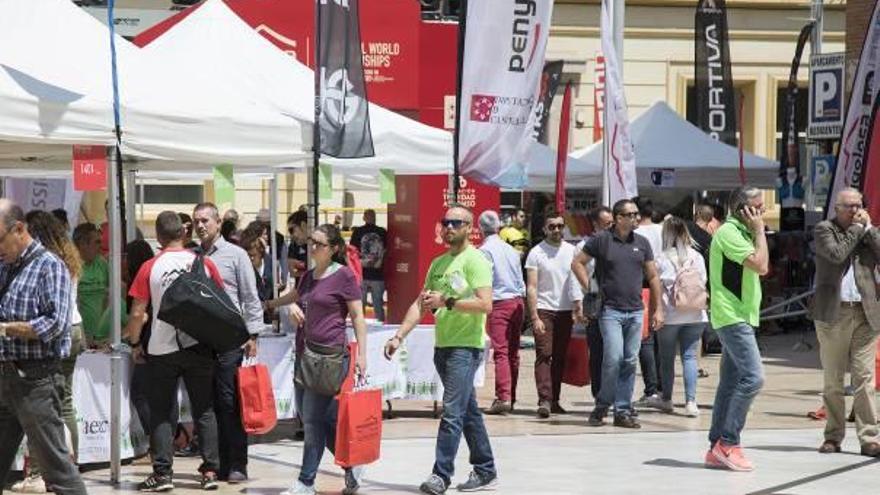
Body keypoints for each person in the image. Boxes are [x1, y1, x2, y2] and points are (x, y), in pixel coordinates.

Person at [384, 205, 497, 495]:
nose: (448, 227)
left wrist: (448, 301)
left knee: (451, 413)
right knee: (467, 411)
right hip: (443, 347)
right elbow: (419, 305)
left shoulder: (476, 260)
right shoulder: (438, 263)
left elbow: (485, 304)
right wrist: (398, 337)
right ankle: (485, 469)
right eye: (445, 222)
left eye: (455, 223)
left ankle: (440, 475)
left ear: (469, 227)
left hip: (465, 348)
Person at [125, 211, 224, 491]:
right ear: (184, 233)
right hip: (200, 346)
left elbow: (137, 312)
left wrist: (134, 343)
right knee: (204, 409)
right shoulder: (204, 264)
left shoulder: (149, 266)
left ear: (158, 236)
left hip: (161, 347)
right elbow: (220, 303)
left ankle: (163, 474)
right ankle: (210, 472)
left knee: (161, 410)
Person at [0, 199, 86, 495]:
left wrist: (7, 328)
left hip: (36, 380)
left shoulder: (50, 267)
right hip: (6, 377)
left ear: (19, 229)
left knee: (57, 469)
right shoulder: (5, 266)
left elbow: (56, 324)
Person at [280, 224, 367, 495]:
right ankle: (352, 465)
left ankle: (306, 481)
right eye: (311, 242)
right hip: (304, 355)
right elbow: (295, 298)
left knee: (312, 420)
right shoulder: (308, 276)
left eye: (319, 243)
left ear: (334, 249)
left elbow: (357, 316)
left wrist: (363, 355)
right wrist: (274, 304)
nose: (312, 247)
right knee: (321, 420)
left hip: (328, 358)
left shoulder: (343, 276)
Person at [572, 199, 664, 429]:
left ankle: (622, 410)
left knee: (630, 361)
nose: (636, 218)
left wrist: (658, 308)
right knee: (613, 358)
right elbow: (577, 263)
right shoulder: (602, 240)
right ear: (619, 218)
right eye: (631, 215)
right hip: (610, 310)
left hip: (635, 311)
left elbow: (653, 276)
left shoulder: (642, 242)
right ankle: (603, 404)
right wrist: (591, 289)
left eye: (636, 214)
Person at [193, 203, 264, 483]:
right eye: (197, 221)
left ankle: (237, 463)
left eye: (205, 221)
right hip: (200, 342)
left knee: (229, 403)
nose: (200, 226)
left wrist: (253, 334)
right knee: (207, 405)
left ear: (218, 223)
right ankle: (216, 462)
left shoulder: (236, 255)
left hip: (230, 341)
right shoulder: (193, 256)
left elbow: (250, 296)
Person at [704, 187, 768, 472]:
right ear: (743, 209)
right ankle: (728, 443)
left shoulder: (740, 233)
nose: (762, 212)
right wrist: (760, 231)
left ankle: (715, 445)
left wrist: (755, 231)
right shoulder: (730, 232)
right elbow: (761, 265)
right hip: (732, 316)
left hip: (741, 315)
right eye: (757, 207)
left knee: (730, 383)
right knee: (754, 378)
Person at [812, 188, 880, 457]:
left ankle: (869, 438)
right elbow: (837, 255)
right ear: (836, 208)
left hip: (865, 313)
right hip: (833, 313)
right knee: (834, 379)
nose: (855, 210)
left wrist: (870, 229)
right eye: (849, 206)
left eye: (858, 205)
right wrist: (857, 229)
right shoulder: (823, 229)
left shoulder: (865, 230)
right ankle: (833, 436)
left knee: (865, 379)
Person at [525, 212, 583, 418]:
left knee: (559, 357)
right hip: (544, 309)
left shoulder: (572, 251)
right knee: (544, 354)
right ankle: (544, 400)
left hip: (565, 311)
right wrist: (534, 317)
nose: (557, 230)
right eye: (552, 227)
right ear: (544, 229)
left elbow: (577, 280)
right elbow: (531, 287)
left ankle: (555, 400)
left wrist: (578, 306)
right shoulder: (536, 253)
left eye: (560, 226)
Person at [655, 217, 708, 417]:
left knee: (667, 358)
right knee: (689, 357)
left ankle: (667, 399)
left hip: (669, 315)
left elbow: (657, 287)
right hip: (696, 314)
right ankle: (691, 402)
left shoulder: (661, 258)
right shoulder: (697, 256)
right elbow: (703, 281)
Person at [478, 210, 526, 415]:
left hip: (498, 302)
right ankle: (510, 395)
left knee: (501, 352)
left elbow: (483, 280)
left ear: (480, 228)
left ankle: (503, 396)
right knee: (513, 352)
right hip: (517, 302)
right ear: (498, 227)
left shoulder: (484, 251)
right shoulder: (510, 249)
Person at [576, 206, 613, 400]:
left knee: (615, 353)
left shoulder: (618, 243)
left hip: (616, 303)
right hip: (594, 303)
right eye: (607, 224)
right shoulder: (584, 246)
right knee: (597, 351)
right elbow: (575, 272)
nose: (611, 227)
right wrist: (590, 292)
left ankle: (614, 395)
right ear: (596, 225)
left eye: (612, 223)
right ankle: (599, 395)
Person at [633, 197, 664, 410]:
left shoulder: (636, 234)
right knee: (658, 340)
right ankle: (661, 388)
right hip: (662, 285)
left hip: (642, 285)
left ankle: (651, 389)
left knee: (646, 340)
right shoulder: (662, 230)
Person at [72, 223, 109, 347]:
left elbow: (114, 293)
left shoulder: (102, 263)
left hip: (101, 338)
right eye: (97, 242)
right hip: (80, 337)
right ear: (83, 244)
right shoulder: (71, 266)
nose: (101, 246)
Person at [350, 209, 388, 322]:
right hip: (363, 275)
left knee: (377, 305)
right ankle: (360, 328)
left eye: (372, 215)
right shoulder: (359, 231)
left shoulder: (381, 232)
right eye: (369, 215)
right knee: (361, 305)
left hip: (376, 275)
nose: (371, 217)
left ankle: (378, 328)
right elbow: (352, 251)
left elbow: (386, 250)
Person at [287, 210, 309, 283]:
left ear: (303, 225)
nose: (291, 235)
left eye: (291, 230)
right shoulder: (294, 245)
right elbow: (293, 271)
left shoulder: (322, 245)